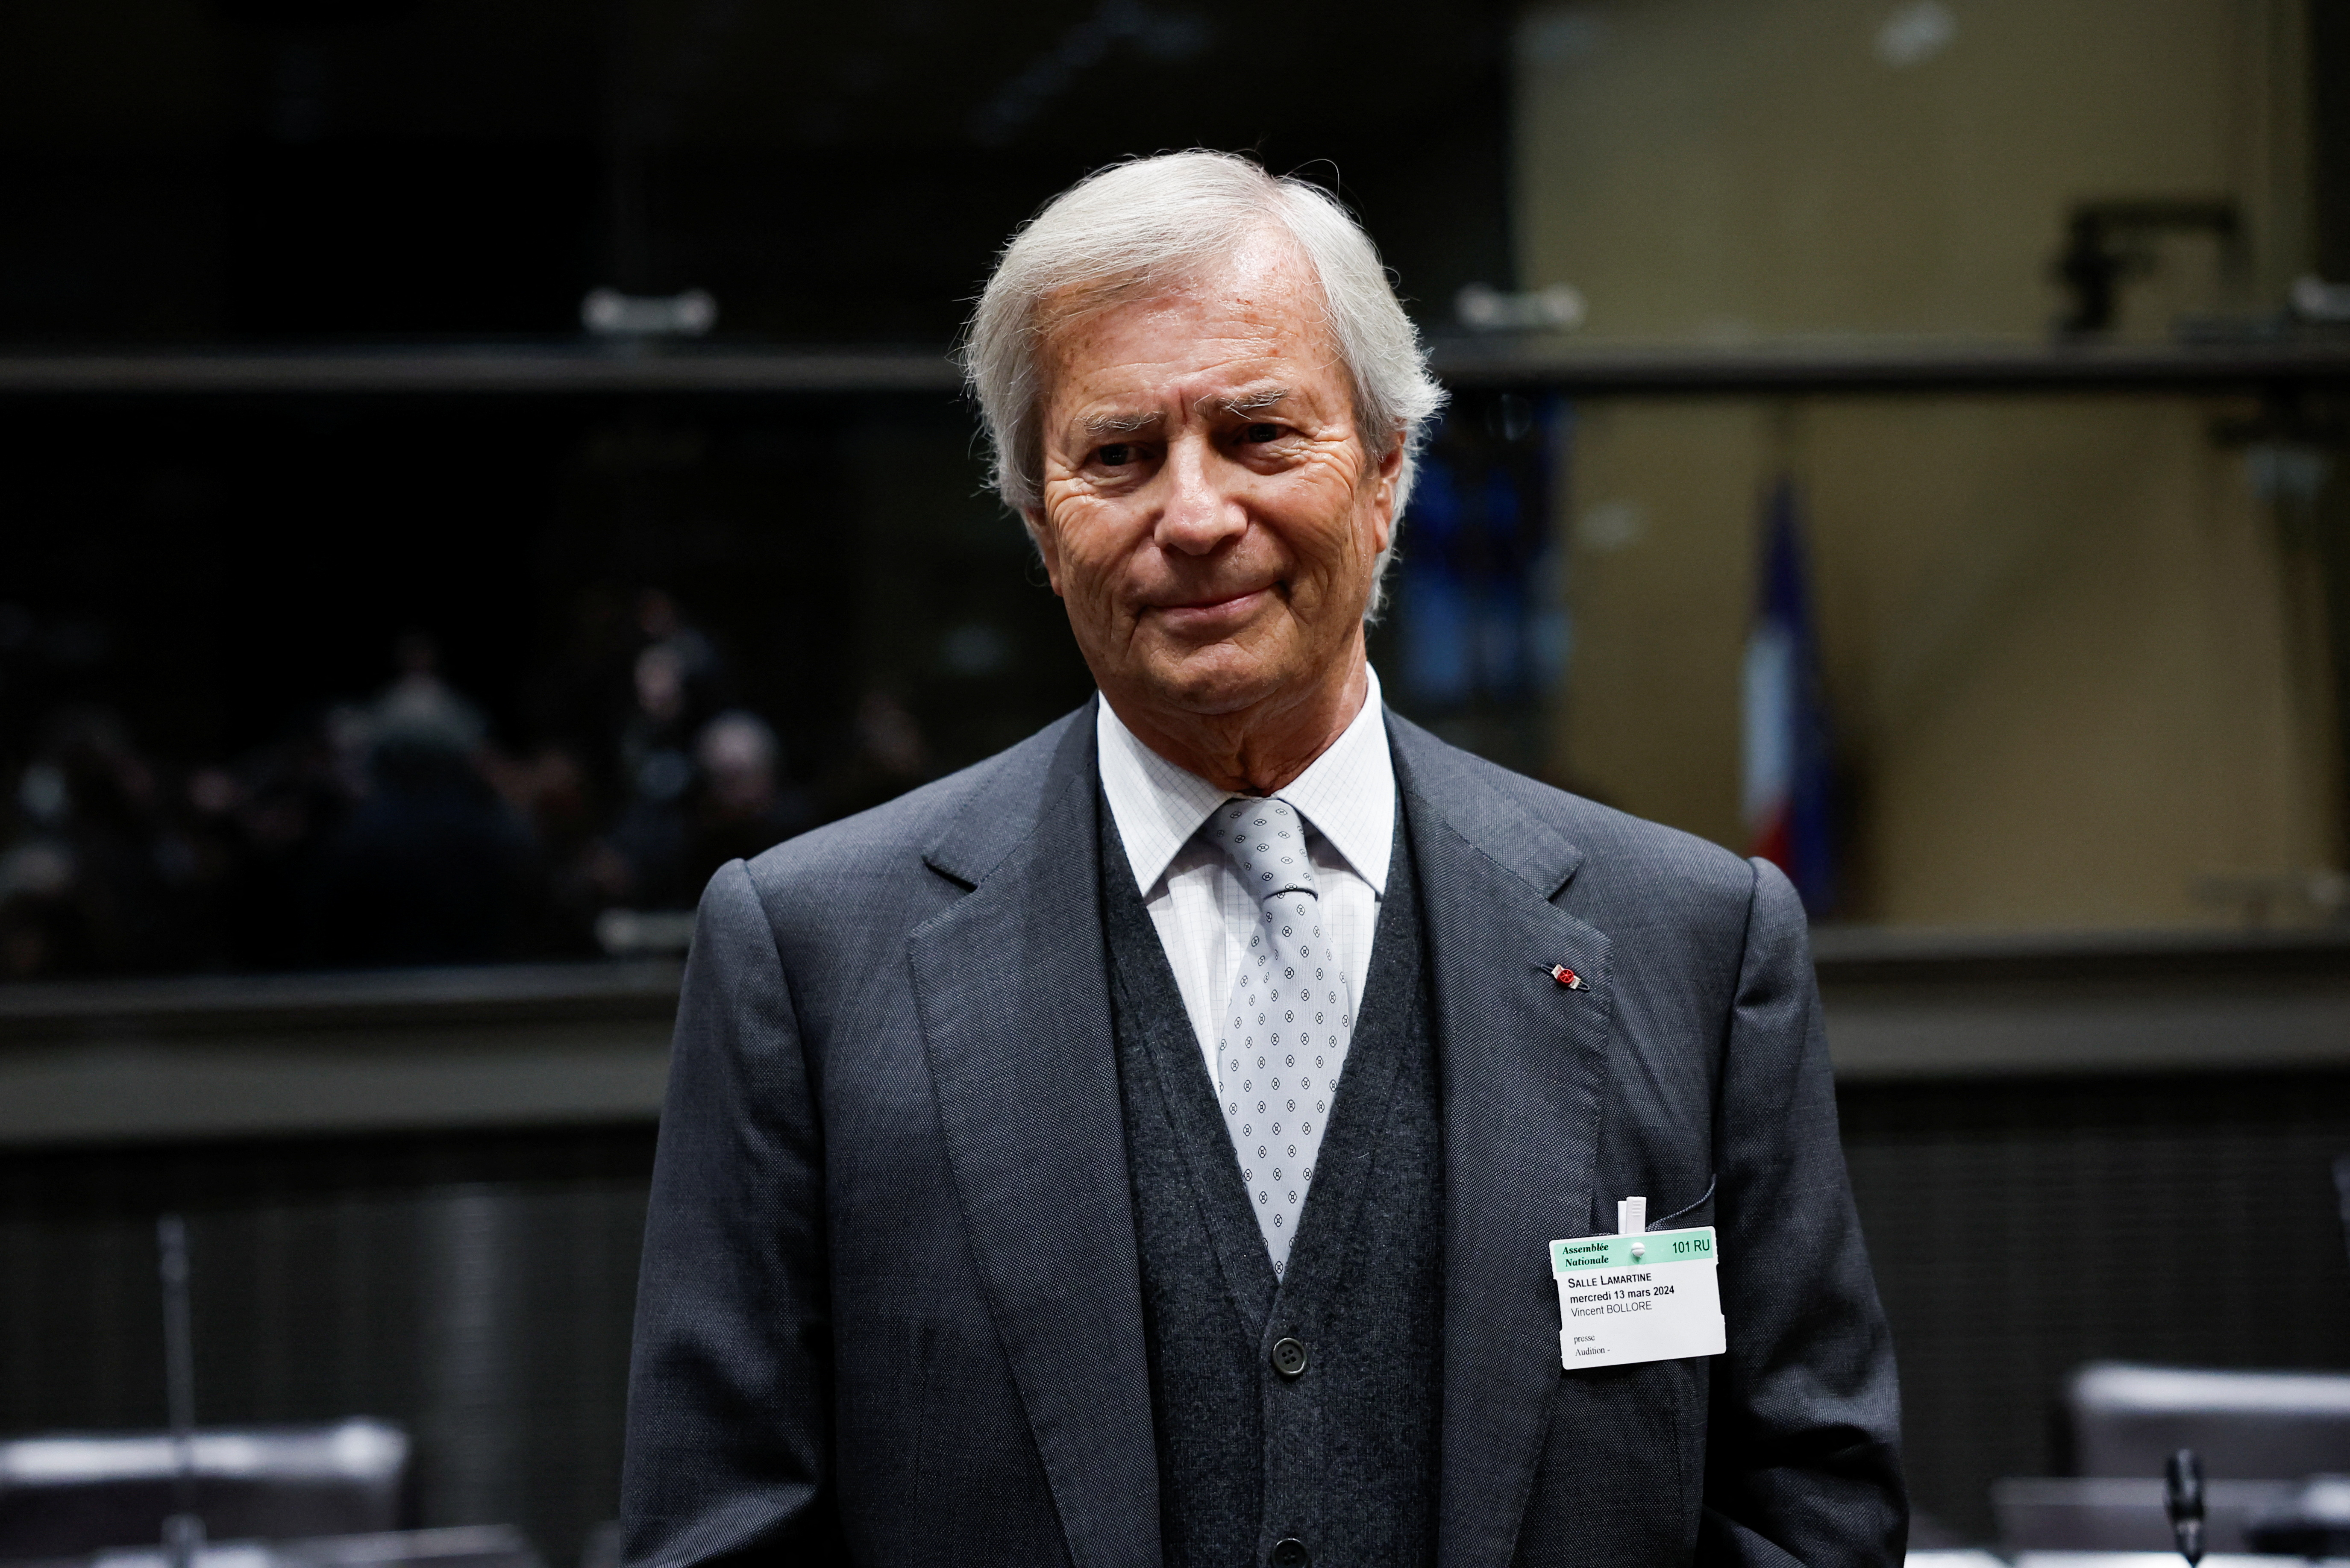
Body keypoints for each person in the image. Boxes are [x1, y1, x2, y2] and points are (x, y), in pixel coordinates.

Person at [621, 152, 1905, 1568]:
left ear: (1388, 474)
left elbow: (1810, 1511)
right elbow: (722, 1530)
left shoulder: (1692, 943)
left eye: (1256, 434)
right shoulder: (809, 958)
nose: (1192, 514)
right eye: (1116, 456)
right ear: (1043, 528)